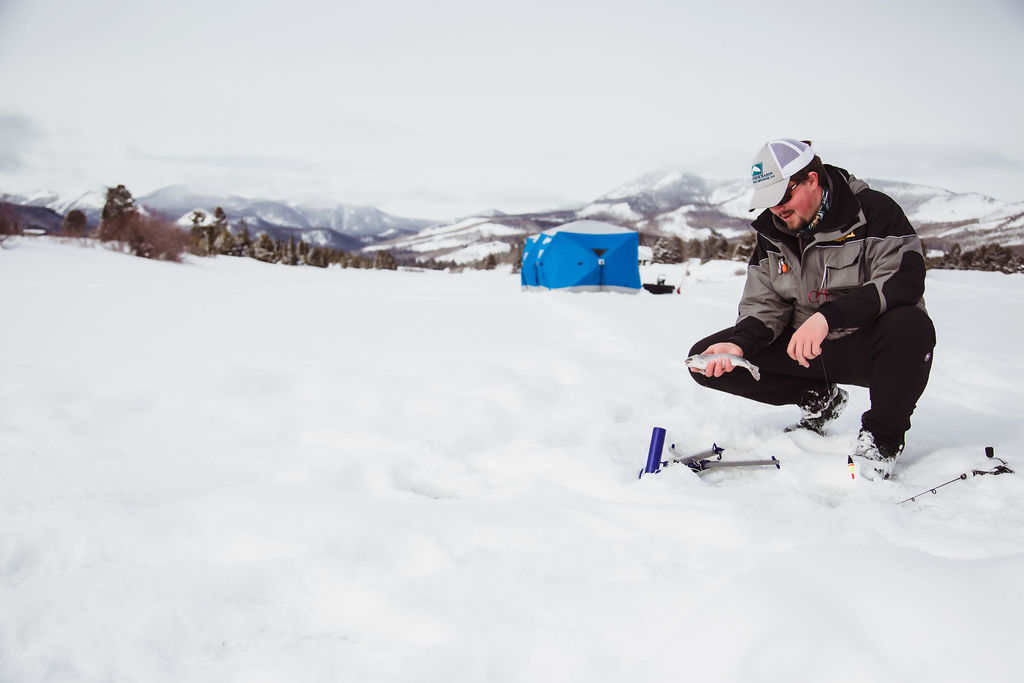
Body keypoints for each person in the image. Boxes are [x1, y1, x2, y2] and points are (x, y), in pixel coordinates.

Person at [688, 139, 935, 480]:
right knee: (707, 358)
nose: (777, 210)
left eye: (783, 197)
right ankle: (819, 397)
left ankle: (882, 440)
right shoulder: (772, 233)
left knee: (911, 327)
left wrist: (829, 317)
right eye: (769, 202)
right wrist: (740, 345)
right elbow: (764, 304)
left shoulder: (875, 213)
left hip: (869, 347)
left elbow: (901, 281)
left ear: (812, 180)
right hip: (805, 351)